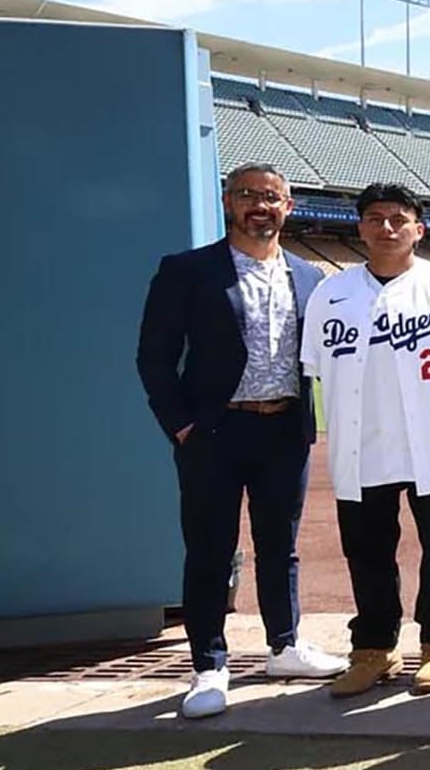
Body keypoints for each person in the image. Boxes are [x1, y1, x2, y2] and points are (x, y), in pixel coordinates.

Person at [137, 163, 345, 719]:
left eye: (272, 197)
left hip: (283, 428)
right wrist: (180, 425)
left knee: (282, 546)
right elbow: (154, 357)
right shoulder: (187, 270)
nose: (260, 205)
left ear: (288, 207)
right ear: (229, 202)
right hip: (213, 429)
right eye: (249, 195)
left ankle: (284, 645)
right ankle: (209, 664)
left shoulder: (308, 276)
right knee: (209, 549)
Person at [302, 182, 430, 698]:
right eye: (375, 218)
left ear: (418, 230)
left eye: (398, 219)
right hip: (364, 445)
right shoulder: (330, 294)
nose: (386, 228)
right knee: (367, 551)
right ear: (359, 228)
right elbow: (314, 368)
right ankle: (375, 648)